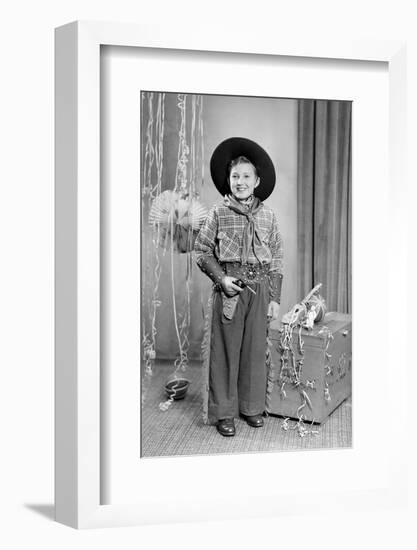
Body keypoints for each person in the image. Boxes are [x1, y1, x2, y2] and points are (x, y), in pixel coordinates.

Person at [194, 137, 283, 436]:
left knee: (255, 351)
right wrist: (222, 279)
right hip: (231, 288)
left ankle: (251, 406)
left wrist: (274, 297)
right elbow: (202, 250)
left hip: (260, 290)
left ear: (257, 181)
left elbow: (277, 257)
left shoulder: (268, 216)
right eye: (235, 177)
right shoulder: (218, 213)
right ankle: (224, 412)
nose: (240, 182)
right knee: (226, 351)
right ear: (228, 181)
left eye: (246, 176)